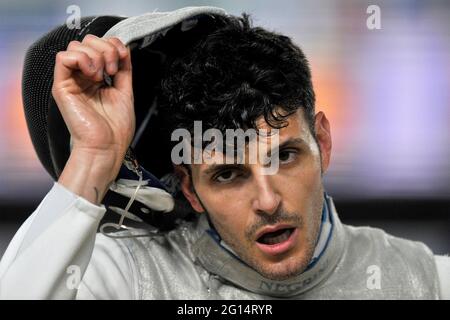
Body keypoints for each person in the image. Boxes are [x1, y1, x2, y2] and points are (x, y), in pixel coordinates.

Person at [0, 10, 449, 300]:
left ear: (323, 144)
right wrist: (94, 157)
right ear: (190, 188)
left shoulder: (423, 280)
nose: (269, 200)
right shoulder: (130, 278)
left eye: (285, 156)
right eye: (229, 174)